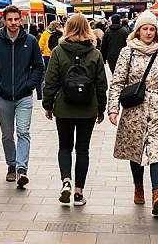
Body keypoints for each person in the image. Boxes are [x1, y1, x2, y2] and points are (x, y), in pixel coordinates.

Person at [108, 11, 158, 216]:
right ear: (137, 31)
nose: (148, 32)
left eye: (152, 29)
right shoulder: (127, 52)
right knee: (135, 148)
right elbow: (118, 82)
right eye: (145, 29)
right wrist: (113, 108)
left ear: (157, 32)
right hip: (134, 107)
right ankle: (138, 187)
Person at [42, 13, 107, 206]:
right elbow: (101, 84)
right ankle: (79, 193)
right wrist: (101, 108)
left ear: (67, 29)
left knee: (64, 146)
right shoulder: (95, 54)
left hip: (64, 107)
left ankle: (66, 181)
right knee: (83, 149)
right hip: (88, 108)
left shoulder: (58, 52)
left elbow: (50, 81)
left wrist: (48, 104)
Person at [0, 5, 44, 188]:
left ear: (21, 20)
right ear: (4, 21)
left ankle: (21, 168)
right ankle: (11, 164)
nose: (13, 23)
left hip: (24, 95)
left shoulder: (30, 41)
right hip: (3, 96)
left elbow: (39, 66)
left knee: (23, 132)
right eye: (10, 20)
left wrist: (29, 85)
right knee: (7, 135)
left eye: (16, 19)